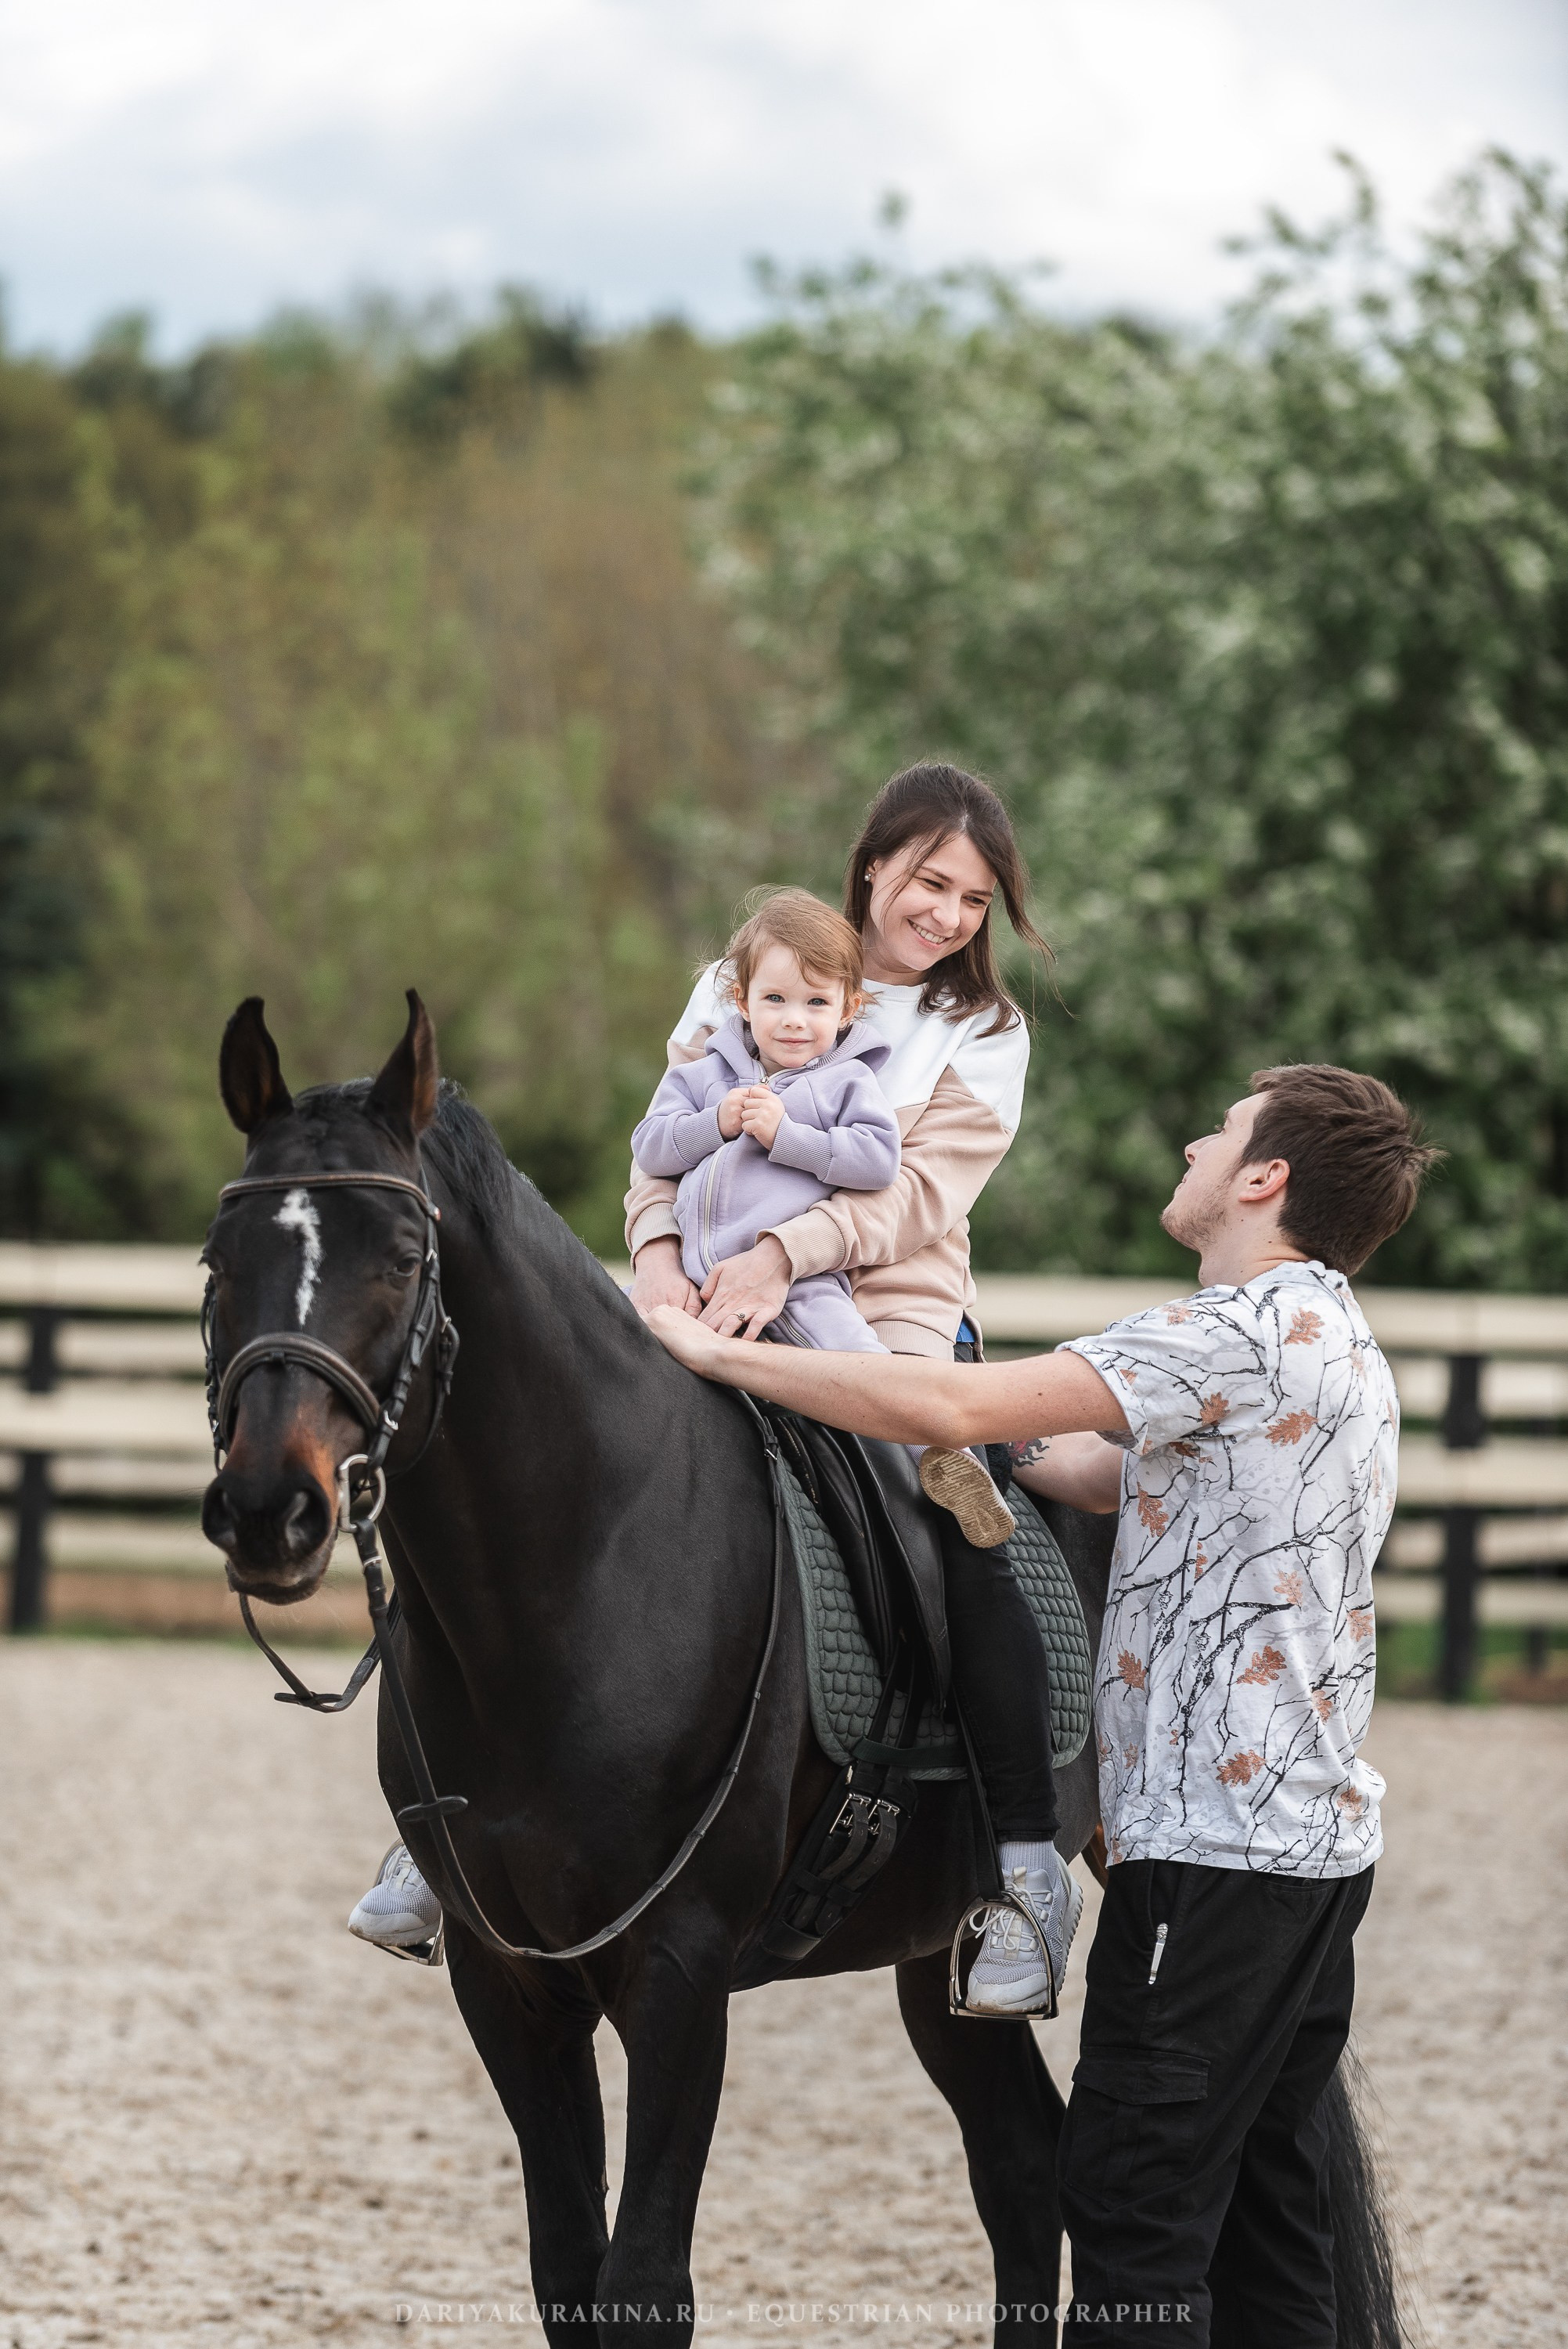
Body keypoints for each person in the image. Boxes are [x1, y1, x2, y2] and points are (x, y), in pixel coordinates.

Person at [643, 1062, 1438, 2348]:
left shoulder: (1227, 1336)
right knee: (1274, 2218)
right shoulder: (1328, 1342)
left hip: (1209, 1856)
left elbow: (949, 1406)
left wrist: (713, 1350)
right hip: (1311, 1857)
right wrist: (984, 1426)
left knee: (1130, 2212)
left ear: (1262, 1178)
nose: (1192, 1138)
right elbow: (1081, 1466)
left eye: (1219, 1131)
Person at [350, 762, 1080, 2017]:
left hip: (880, 1316)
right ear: (873, 863)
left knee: (951, 1518)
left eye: (974, 897)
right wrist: (658, 1274)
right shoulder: (741, 976)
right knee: (539, 1485)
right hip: (687, 1287)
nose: (948, 913)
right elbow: (655, 1152)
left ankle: (1019, 1865)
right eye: (929, 880)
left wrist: (774, 1259)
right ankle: (447, 1833)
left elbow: (915, 1199)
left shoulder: (981, 1035)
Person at [630, 885, 1013, 1543]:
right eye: (774, 1001)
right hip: (695, 1280)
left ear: (846, 1012)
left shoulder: (847, 1083)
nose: (793, 1020)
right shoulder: (701, 1078)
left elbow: (875, 1164)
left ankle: (938, 1459)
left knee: (858, 1362)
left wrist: (788, 1138)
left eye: (815, 1005)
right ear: (741, 1000)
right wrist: (712, 1124)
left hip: (802, 1277)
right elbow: (650, 1148)